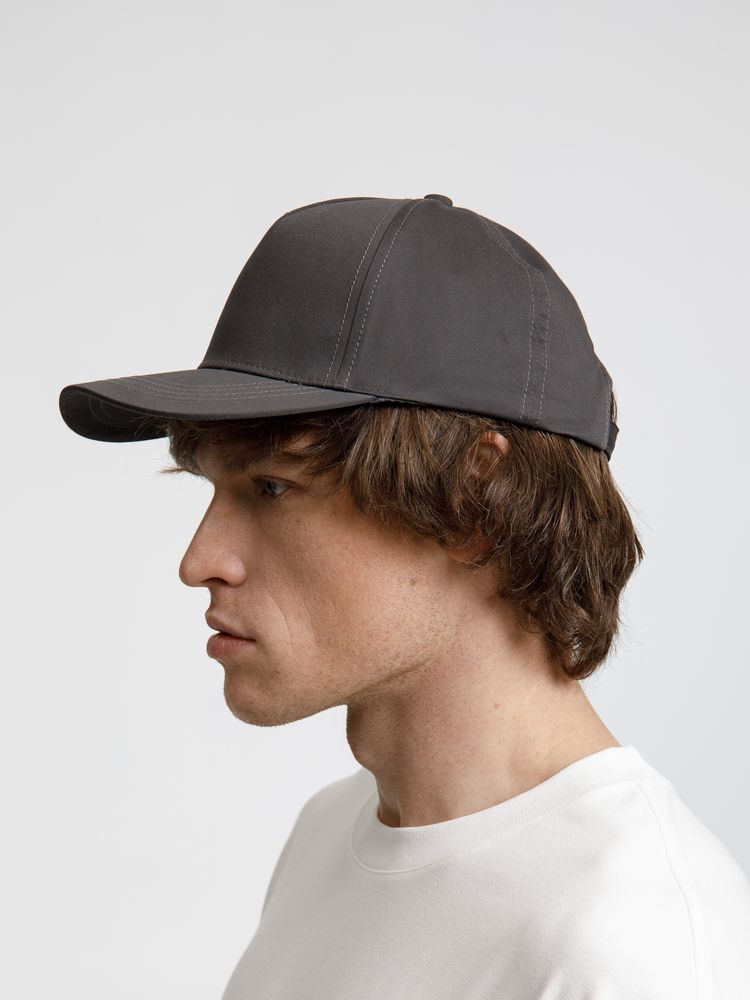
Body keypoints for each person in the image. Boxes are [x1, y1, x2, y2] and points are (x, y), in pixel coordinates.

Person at [59, 193, 750, 998]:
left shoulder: (640, 944)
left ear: (474, 502)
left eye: (272, 488)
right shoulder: (330, 836)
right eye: (212, 490)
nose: (199, 561)